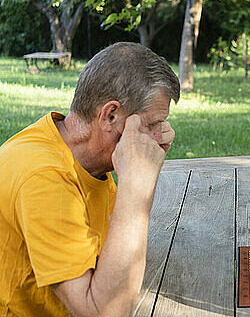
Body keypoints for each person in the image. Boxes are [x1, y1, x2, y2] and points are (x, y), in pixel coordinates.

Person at [0, 42, 180, 316]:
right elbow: (105, 312)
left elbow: (114, 263)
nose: (163, 134)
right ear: (110, 115)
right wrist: (136, 184)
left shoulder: (87, 158)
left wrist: (139, 173)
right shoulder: (45, 177)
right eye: (153, 123)